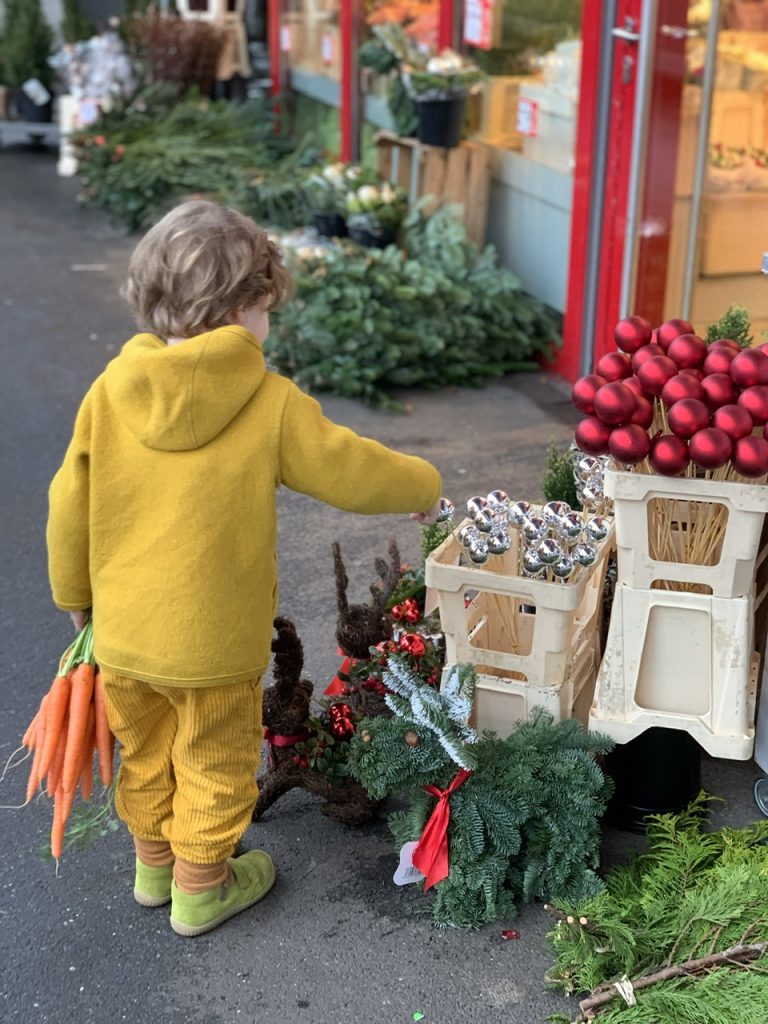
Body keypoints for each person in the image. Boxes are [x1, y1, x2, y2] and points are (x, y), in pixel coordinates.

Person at [46, 199, 442, 938]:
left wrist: (76, 598)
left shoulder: (110, 393)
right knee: (215, 758)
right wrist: (423, 485)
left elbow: (69, 501)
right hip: (215, 643)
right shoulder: (268, 402)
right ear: (239, 308)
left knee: (148, 750)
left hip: (125, 634)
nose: (268, 325)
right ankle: (202, 887)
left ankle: (152, 868)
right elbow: (350, 468)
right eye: (264, 309)